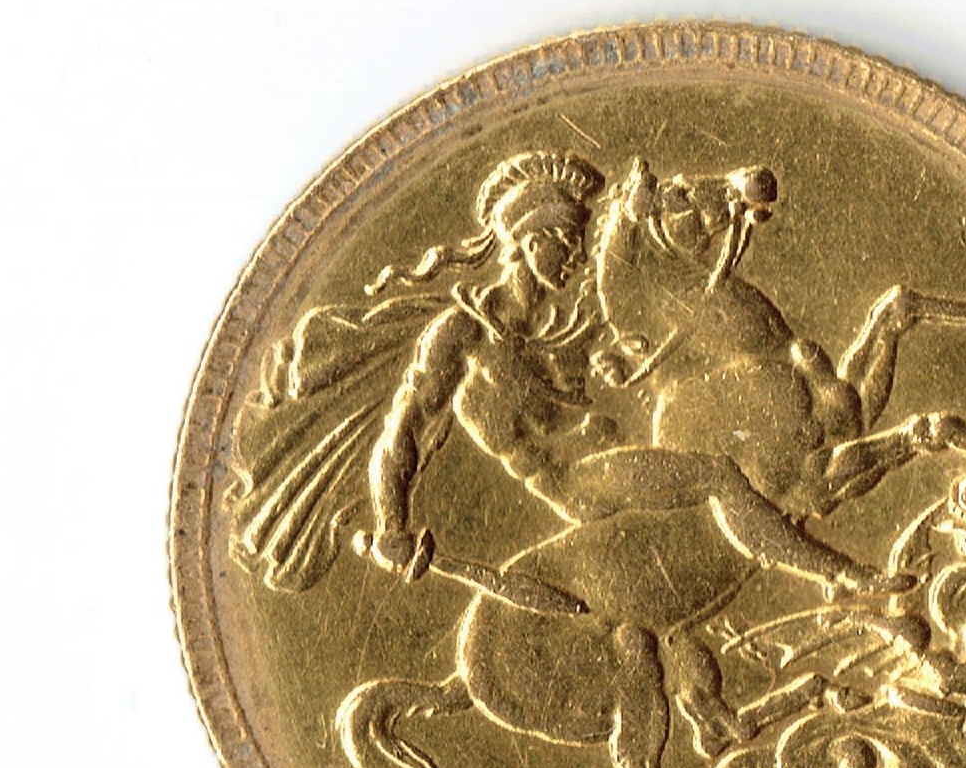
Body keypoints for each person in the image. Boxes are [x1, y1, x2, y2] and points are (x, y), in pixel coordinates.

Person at [355, 151, 906, 597]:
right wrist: (390, 525)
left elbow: (640, 276)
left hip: (616, 451)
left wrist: (724, 205)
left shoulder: (564, 321)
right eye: (567, 243)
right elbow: (402, 432)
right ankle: (841, 574)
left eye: (579, 243)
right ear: (531, 241)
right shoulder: (462, 334)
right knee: (718, 475)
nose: (576, 258)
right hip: (574, 483)